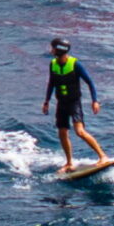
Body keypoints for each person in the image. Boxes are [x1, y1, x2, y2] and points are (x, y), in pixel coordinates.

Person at [42, 37, 108, 172]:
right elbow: (51, 83)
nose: (51, 49)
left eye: (53, 47)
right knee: (62, 132)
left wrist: (94, 100)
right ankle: (69, 163)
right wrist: (47, 101)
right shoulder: (53, 64)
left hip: (74, 102)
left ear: (59, 50)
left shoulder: (75, 64)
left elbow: (90, 82)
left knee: (80, 131)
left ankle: (103, 157)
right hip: (61, 103)